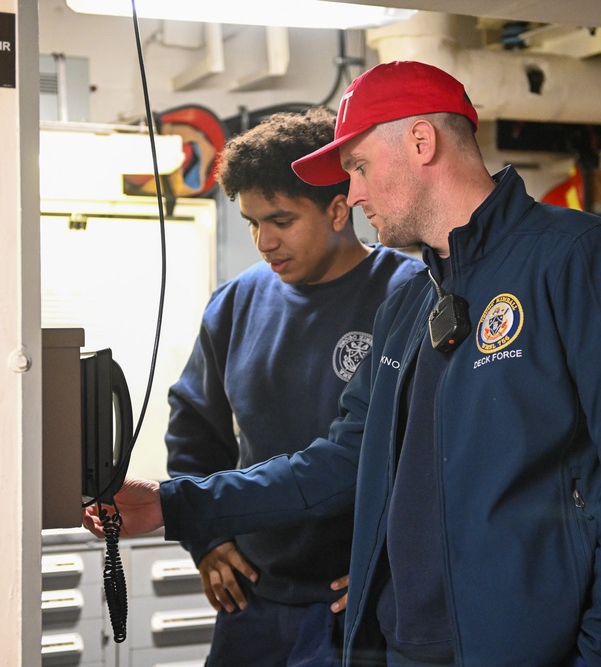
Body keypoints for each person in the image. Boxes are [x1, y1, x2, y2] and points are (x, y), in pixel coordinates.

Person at [85, 61, 601, 666]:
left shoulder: (580, 259)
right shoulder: (410, 304)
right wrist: (177, 504)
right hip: (402, 646)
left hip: (529, 648)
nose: (350, 194)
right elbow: (343, 461)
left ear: (421, 141)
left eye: (357, 167)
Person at [159, 107, 424, 667]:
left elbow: (443, 452)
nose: (263, 240)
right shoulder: (235, 302)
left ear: (336, 209)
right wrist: (205, 539)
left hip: (359, 602)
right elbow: (193, 430)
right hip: (253, 599)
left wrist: (403, 565)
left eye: (280, 220)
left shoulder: (409, 295)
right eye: (252, 222)